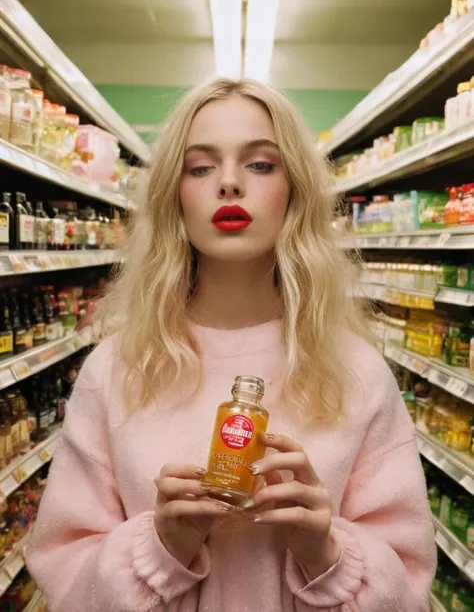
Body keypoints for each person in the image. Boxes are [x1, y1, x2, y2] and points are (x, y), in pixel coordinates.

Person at [27, 78, 436, 612]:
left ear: (296, 190)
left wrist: (329, 556)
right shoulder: (118, 369)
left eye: (260, 164)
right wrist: (161, 549)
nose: (228, 184)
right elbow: (62, 580)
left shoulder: (357, 372)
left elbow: (411, 588)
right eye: (200, 167)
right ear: (174, 195)